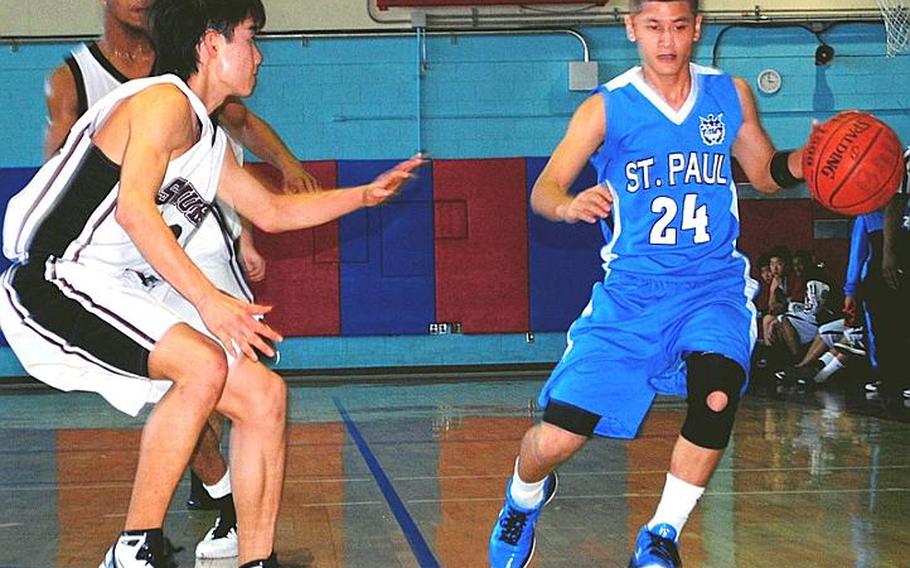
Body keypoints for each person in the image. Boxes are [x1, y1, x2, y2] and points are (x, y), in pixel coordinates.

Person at [0, 1, 422, 566]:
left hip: (109, 283)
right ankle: (133, 551)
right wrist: (209, 300)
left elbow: (270, 210)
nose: (260, 54)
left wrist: (363, 196)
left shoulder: (207, 137)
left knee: (265, 397)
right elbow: (134, 212)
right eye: (250, 37)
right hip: (51, 276)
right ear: (210, 45)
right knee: (204, 362)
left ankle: (255, 557)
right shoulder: (163, 102)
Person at [487, 1, 810, 566]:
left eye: (680, 26)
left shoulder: (728, 95)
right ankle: (522, 495)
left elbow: (764, 171)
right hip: (633, 296)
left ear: (698, 28)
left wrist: (809, 161)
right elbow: (545, 189)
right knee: (558, 438)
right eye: (654, 27)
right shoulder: (606, 109)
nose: (668, 40)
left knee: (716, 395)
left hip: (711, 286)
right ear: (632, 28)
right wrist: (570, 206)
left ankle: (661, 533)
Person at [43, 0, 320, 558]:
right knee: (200, 381)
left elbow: (241, 134)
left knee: (238, 389)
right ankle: (203, 504)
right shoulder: (82, 80)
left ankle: (228, 518)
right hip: (127, 259)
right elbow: (72, 181)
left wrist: (265, 204)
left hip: (194, 246)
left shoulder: (191, 83)